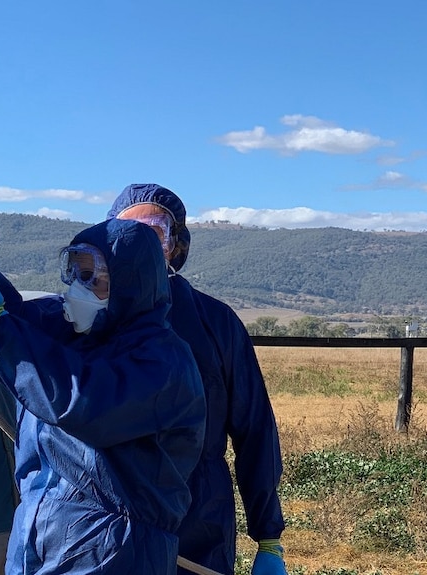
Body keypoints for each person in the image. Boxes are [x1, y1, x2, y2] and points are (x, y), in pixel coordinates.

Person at [0, 216, 207, 575]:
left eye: (92, 278)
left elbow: (78, 401)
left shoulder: (163, 362)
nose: (77, 288)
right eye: (75, 273)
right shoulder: (77, 334)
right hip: (39, 540)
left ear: (130, 283)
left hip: (114, 552)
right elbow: (18, 325)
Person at [107, 183, 288, 575]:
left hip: (198, 517)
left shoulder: (216, 323)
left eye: (153, 231)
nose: (138, 245)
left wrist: (269, 537)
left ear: (175, 244)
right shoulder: (82, 320)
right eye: (126, 233)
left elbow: (254, 428)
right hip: (105, 519)